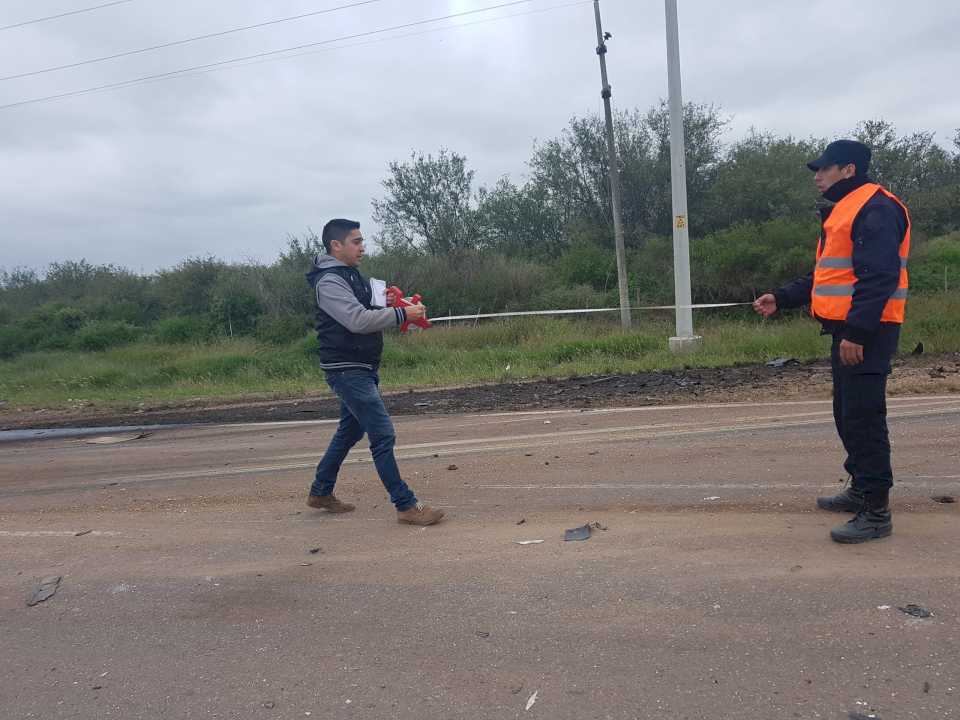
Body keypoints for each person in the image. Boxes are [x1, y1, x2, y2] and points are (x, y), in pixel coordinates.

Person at [753, 139, 910, 544]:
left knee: (863, 416)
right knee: (846, 412)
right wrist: (783, 297)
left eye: (824, 170)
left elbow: (879, 277)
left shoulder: (876, 208)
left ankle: (876, 512)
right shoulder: (845, 210)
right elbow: (827, 276)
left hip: (867, 332)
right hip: (848, 330)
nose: (817, 177)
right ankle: (860, 487)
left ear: (849, 171)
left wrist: (857, 332)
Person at [304, 218, 445, 526]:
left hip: (361, 366)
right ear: (336, 246)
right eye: (356, 241)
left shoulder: (348, 276)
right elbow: (357, 320)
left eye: (361, 241)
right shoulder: (329, 282)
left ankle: (320, 491)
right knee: (382, 434)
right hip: (346, 370)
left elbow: (367, 307)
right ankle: (406, 505)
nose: (362, 247)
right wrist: (401, 314)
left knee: (351, 430)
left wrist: (390, 303)